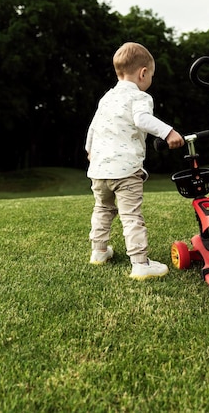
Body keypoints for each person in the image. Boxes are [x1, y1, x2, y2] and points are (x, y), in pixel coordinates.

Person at [85, 42, 184, 280]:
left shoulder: (107, 97)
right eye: (151, 74)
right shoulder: (140, 97)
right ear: (143, 72)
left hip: (99, 169)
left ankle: (99, 251)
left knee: (103, 209)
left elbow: (94, 127)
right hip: (126, 170)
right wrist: (168, 132)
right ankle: (140, 263)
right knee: (131, 216)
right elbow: (142, 120)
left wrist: (90, 150)